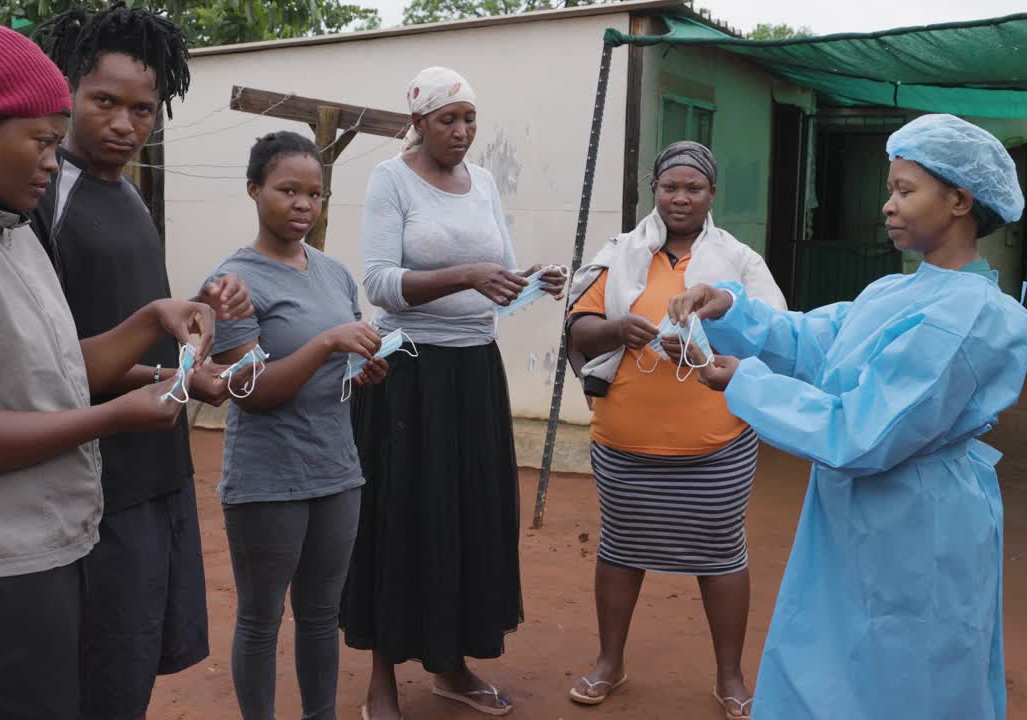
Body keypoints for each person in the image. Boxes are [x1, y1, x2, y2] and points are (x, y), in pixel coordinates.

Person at [669, 114, 1027, 720]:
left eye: (904, 190)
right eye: (890, 189)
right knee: (833, 658)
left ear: (960, 201)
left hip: (918, 524)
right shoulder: (896, 292)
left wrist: (746, 385)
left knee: (906, 670)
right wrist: (728, 309)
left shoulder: (975, 315)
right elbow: (814, 343)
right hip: (856, 517)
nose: (887, 205)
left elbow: (866, 432)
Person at [0, 19, 215, 720]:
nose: (53, 163)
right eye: (42, 142)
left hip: (40, 544)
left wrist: (148, 325)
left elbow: (48, 368)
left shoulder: (5, 229)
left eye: (55, 142)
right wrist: (112, 416)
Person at [31, 5, 251, 718]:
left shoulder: (126, 191)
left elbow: (127, 322)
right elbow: (48, 360)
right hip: (93, 490)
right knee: (97, 682)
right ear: (64, 91)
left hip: (159, 471)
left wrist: (194, 318)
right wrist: (161, 363)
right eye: (104, 102)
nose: (125, 124)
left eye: (143, 110)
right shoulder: (42, 197)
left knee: (132, 672)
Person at [341, 66, 566, 720]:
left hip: (473, 371)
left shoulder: (484, 183)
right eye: (448, 119)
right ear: (418, 122)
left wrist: (531, 280)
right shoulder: (391, 181)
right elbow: (380, 283)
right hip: (406, 374)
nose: (463, 132)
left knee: (466, 518)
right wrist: (465, 272)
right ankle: (381, 675)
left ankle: (452, 666)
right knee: (398, 516)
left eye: (469, 119)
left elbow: (495, 274)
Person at [564, 141, 786, 719]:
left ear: (712, 195)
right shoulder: (619, 254)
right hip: (624, 442)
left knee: (719, 555)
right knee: (620, 549)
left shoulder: (738, 261)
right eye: (670, 187)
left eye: (693, 188)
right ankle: (610, 662)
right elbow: (580, 328)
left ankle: (730, 676)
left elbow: (776, 332)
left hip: (716, 444)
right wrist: (618, 330)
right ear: (653, 191)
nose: (680, 198)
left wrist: (711, 326)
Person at [209, 131, 389, 720]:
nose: (303, 205)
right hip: (268, 478)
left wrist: (359, 365)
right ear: (254, 189)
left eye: (315, 193)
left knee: (320, 616)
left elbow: (339, 361)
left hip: (336, 470)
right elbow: (251, 392)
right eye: (288, 190)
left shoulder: (334, 274)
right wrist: (328, 342)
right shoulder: (233, 283)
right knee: (261, 620)